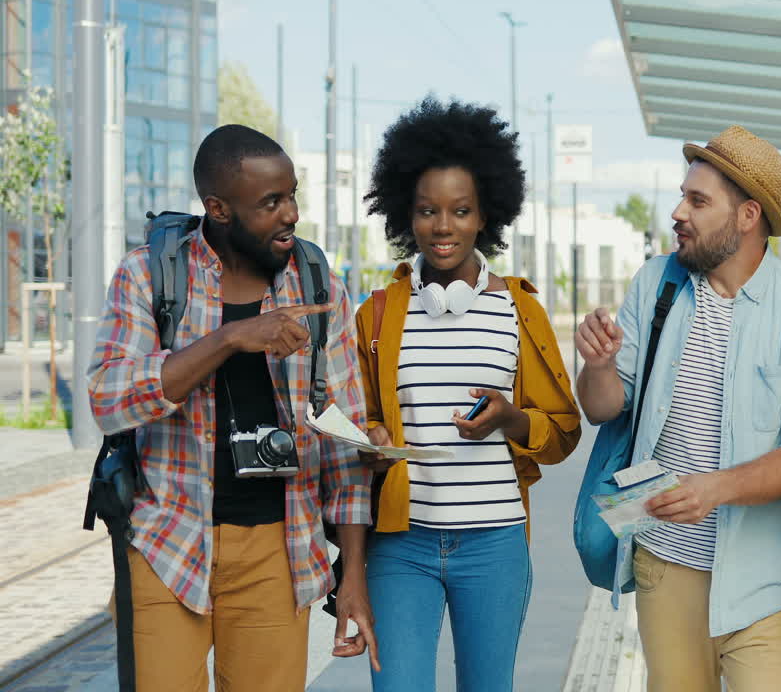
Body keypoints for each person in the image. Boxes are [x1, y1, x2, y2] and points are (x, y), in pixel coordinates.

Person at [88, 124, 377, 691]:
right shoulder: (149, 273)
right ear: (217, 209)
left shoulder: (320, 286)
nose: (290, 213)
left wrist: (353, 578)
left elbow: (347, 448)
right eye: (271, 202)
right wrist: (227, 339)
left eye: (292, 194)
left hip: (280, 549)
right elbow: (107, 398)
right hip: (167, 540)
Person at [575, 125, 781, 692]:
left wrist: (713, 489)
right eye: (683, 195)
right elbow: (604, 408)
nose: (679, 211)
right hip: (662, 563)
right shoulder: (657, 283)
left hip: (767, 583)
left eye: (698, 201)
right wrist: (598, 364)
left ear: (748, 216)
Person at [356, 96, 582, 692]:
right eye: (428, 210)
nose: (442, 226)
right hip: (400, 546)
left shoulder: (520, 309)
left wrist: (510, 419)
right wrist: (370, 439)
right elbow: (361, 420)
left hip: (495, 545)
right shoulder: (377, 316)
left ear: (486, 216)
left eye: (461, 211)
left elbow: (562, 433)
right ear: (407, 214)